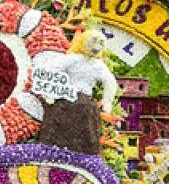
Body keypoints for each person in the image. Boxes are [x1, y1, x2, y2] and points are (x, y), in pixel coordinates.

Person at [33, 27, 119, 155]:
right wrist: (48, 92)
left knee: (86, 130)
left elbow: (110, 81)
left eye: (101, 43)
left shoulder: (98, 65)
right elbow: (51, 68)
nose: (96, 47)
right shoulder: (73, 59)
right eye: (94, 42)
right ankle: (52, 153)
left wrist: (107, 101)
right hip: (66, 97)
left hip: (83, 102)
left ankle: (82, 156)